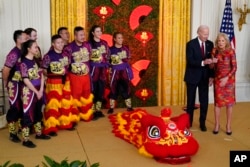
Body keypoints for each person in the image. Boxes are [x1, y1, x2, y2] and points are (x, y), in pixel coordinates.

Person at [20, 40, 50, 148]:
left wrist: (41, 89)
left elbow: (41, 75)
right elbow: (25, 80)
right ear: (28, 49)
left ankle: (38, 133)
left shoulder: (36, 61)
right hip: (29, 91)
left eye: (37, 47)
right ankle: (25, 139)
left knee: (38, 112)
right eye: (35, 47)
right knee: (28, 115)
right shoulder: (23, 63)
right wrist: (36, 91)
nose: (37, 49)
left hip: (39, 90)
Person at [184, 25, 214, 131]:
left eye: (208, 34)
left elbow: (211, 61)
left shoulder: (210, 44)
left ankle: (202, 123)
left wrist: (211, 76)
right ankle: (189, 123)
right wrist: (203, 62)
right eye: (205, 34)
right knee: (190, 101)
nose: (207, 36)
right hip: (192, 76)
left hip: (205, 77)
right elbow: (190, 61)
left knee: (204, 101)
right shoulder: (190, 44)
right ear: (199, 33)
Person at [42, 34, 74, 136]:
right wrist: (53, 73)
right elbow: (43, 70)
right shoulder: (48, 56)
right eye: (58, 43)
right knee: (53, 104)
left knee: (65, 102)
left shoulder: (66, 54)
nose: (60, 44)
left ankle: (64, 122)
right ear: (53, 44)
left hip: (65, 81)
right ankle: (51, 126)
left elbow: (68, 67)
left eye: (61, 42)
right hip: (53, 82)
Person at [63, 26, 94, 122]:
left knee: (86, 94)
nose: (83, 36)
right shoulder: (69, 48)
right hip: (75, 76)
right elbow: (66, 63)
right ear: (75, 36)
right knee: (76, 96)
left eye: (84, 34)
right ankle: (75, 116)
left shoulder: (87, 45)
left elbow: (90, 57)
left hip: (86, 75)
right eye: (80, 35)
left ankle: (85, 114)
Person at [210, 33, 237, 135]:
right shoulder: (214, 50)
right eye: (219, 41)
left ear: (226, 42)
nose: (220, 43)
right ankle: (217, 124)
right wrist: (212, 62)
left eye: (223, 41)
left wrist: (226, 78)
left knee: (229, 104)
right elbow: (212, 67)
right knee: (218, 104)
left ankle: (228, 125)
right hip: (218, 80)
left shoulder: (231, 51)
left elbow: (234, 67)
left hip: (229, 81)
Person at [2, 30, 26, 143]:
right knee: (15, 107)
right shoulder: (14, 53)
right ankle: (12, 132)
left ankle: (22, 128)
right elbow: (6, 70)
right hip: (14, 84)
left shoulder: (24, 51)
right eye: (25, 38)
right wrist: (6, 83)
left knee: (22, 106)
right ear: (19, 40)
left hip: (22, 84)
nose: (27, 40)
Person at [107, 32, 134, 114]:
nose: (121, 39)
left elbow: (128, 58)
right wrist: (110, 67)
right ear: (114, 39)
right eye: (119, 38)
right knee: (113, 88)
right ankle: (111, 108)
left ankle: (129, 107)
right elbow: (108, 61)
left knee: (126, 88)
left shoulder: (126, 48)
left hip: (124, 71)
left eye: (122, 37)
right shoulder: (110, 50)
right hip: (115, 72)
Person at [88, 25, 110, 120]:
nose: (99, 33)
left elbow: (108, 55)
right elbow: (86, 57)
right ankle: (91, 111)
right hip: (93, 69)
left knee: (101, 89)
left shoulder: (104, 43)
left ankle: (98, 110)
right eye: (97, 31)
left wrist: (107, 64)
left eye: (100, 31)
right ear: (93, 33)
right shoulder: (88, 44)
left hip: (102, 69)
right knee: (93, 89)